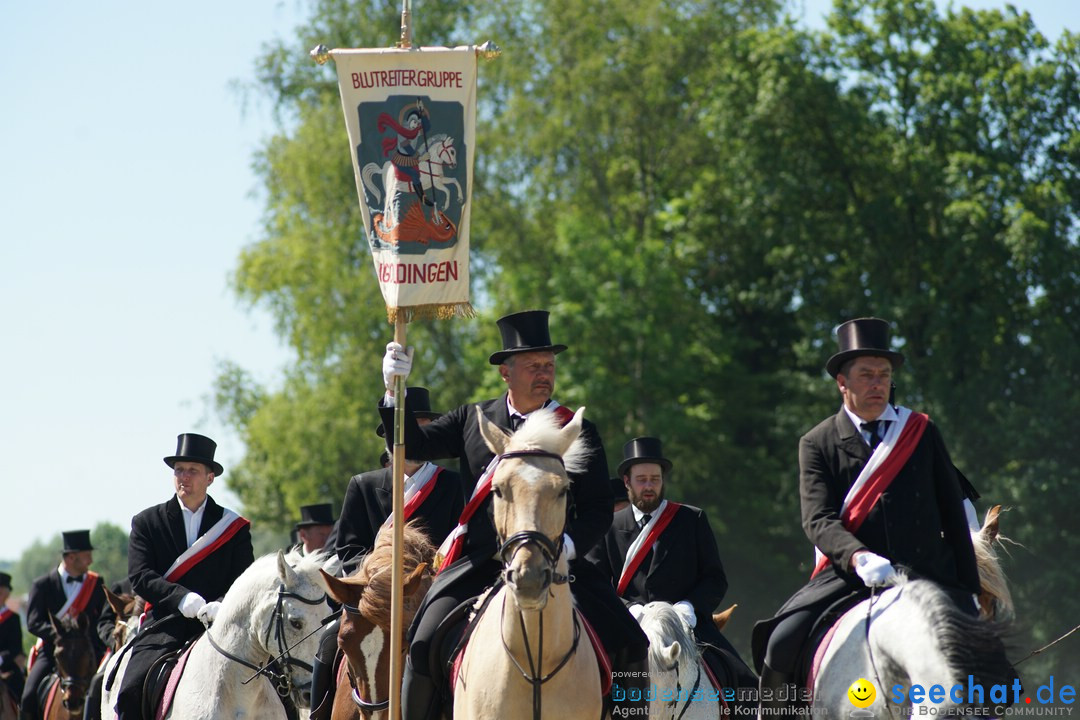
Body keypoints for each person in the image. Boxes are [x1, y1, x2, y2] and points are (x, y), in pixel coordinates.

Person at [380, 310, 650, 720]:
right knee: (423, 641)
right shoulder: (473, 419)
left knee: (630, 639)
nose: (544, 374)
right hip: (481, 561)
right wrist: (392, 392)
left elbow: (597, 507)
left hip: (558, 559)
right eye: (533, 366)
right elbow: (411, 444)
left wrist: (568, 546)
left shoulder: (577, 429)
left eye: (549, 365)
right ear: (506, 372)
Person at [751, 318, 980, 712]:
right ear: (843, 382)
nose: (878, 383)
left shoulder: (922, 432)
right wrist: (859, 557)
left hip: (927, 572)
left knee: (990, 660)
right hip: (851, 577)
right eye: (867, 375)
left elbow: (952, 514)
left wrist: (969, 590)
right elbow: (818, 519)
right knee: (781, 641)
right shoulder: (817, 442)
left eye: (884, 375)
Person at [308, 388, 465, 720]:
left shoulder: (454, 486)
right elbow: (348, 549)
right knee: (326, 644)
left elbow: (459, 544)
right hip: (370, 600)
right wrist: (377, 582)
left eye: (420, 429)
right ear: (388, 438)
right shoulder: (363, 485)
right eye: (405, 429)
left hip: (428, 598)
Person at [587, 437, 757, 696]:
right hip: (628, 627)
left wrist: (689, 606)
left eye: (654, 479)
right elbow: (596, 583)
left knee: (743, 683)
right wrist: (628, 609)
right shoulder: (608, 526)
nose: (648, 487)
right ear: (627, 482)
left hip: (688, 626)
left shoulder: (692, 519)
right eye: (641, 479)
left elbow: (714, 579)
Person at [115, 433, 253, 720]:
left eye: (192, 471)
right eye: (179, 470)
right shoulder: (146, 522)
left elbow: (244, 578)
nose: (183, 478)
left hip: (221, 624)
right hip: (165, 624)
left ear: (210, 477)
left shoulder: (234, 527)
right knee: (130, 690)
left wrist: (222, 603)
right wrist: (181, 598)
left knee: (278, 686)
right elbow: (140, 575)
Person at [21, 530, 107, 720]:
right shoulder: (42, 585)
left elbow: (101, 619)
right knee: (28, 696)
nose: (90, 561)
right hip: (54, 649)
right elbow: (34, 622)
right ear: (71, 557)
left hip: (89, 651)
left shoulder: (96, 583)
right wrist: (60, 636)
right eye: (87, 556)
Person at [0, 572, 26, 703]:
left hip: (6, 666)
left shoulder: (12, 618)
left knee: (22, 693)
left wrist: (1, 659)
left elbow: (15, 647)